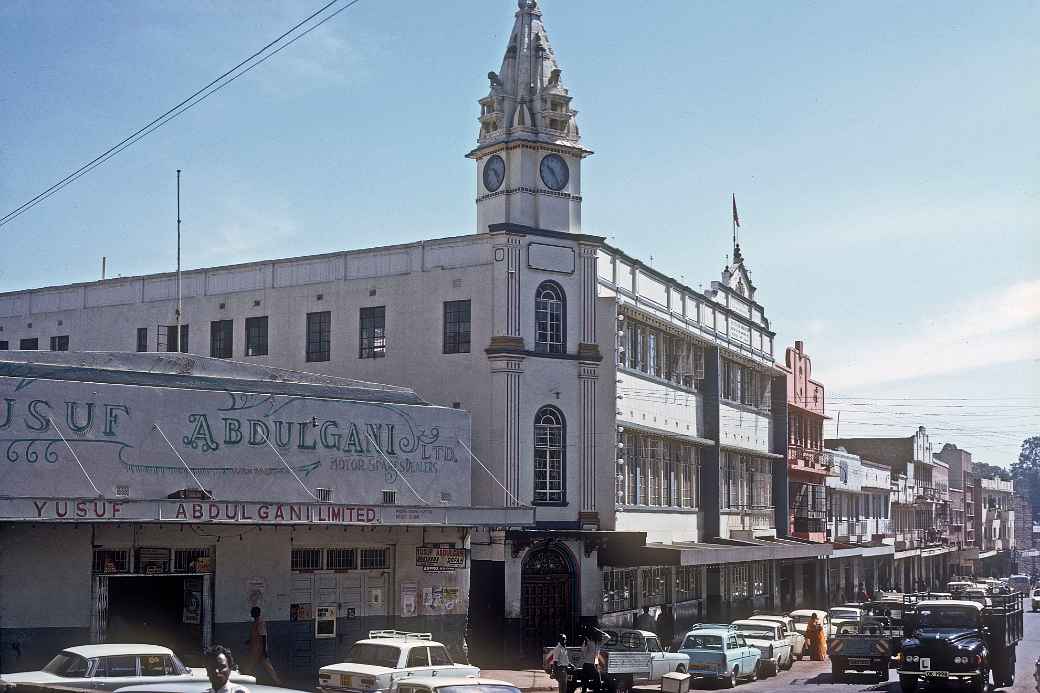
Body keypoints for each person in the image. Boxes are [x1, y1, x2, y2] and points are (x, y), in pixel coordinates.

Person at [246, 607, 282, 686]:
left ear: (256, 613)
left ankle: (277, 681)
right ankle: (277, 681)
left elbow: (263, 636)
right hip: (255, 648)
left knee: (255, 665)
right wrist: (249, 641)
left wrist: (264, 650)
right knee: (261, 665)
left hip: (259, 649)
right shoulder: (255, 622)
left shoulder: (260, 622)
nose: (251, 613)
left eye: (252, 612)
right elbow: (255, 635)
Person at [579, 625, 608, 693]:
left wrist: (599, 631)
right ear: (594, 635)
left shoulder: (598, 643)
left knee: (598, 683)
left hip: (594, 665)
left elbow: (608, 637)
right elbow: (583, 651)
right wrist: (585, 644)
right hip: (588, 664)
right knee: (586, 685)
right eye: (598, 635)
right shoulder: (588, 642)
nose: (600, 637)